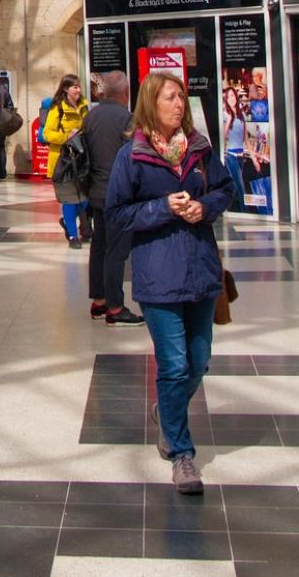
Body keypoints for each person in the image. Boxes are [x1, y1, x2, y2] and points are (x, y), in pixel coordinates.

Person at [105, 71, 235, 497]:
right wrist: (163, 207)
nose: (178, 104)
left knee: (199, 362)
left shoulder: (199, 150)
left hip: (200, 271)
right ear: (150, 104)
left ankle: (168, 410)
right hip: (158, 275)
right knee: (174, 364)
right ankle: (181, 452)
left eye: (181, 97)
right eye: (169, 98)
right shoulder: (133, 156)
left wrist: (205, 206)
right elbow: (118, 215)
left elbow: (224, 189)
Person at [84, 71, 144, 326]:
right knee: (116, 252)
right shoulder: (126, 119)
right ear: (126, 93)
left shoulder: (90, 116)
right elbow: (134, 157)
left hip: (95, 190)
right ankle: (116, 307)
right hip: (117, 193)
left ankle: (99, 301)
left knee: (99, 246)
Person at [43, 74, 90, 246]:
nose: (78, 90)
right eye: (75, 87)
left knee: (85, 199)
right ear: (65, 89)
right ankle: (72, 235)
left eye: (79, 86)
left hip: (81, 159)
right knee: (69, 199)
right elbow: (47, 133)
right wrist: (67, 136)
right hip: (63, 161)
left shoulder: (84, 106)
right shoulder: (57, 108)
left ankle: (67, 221)